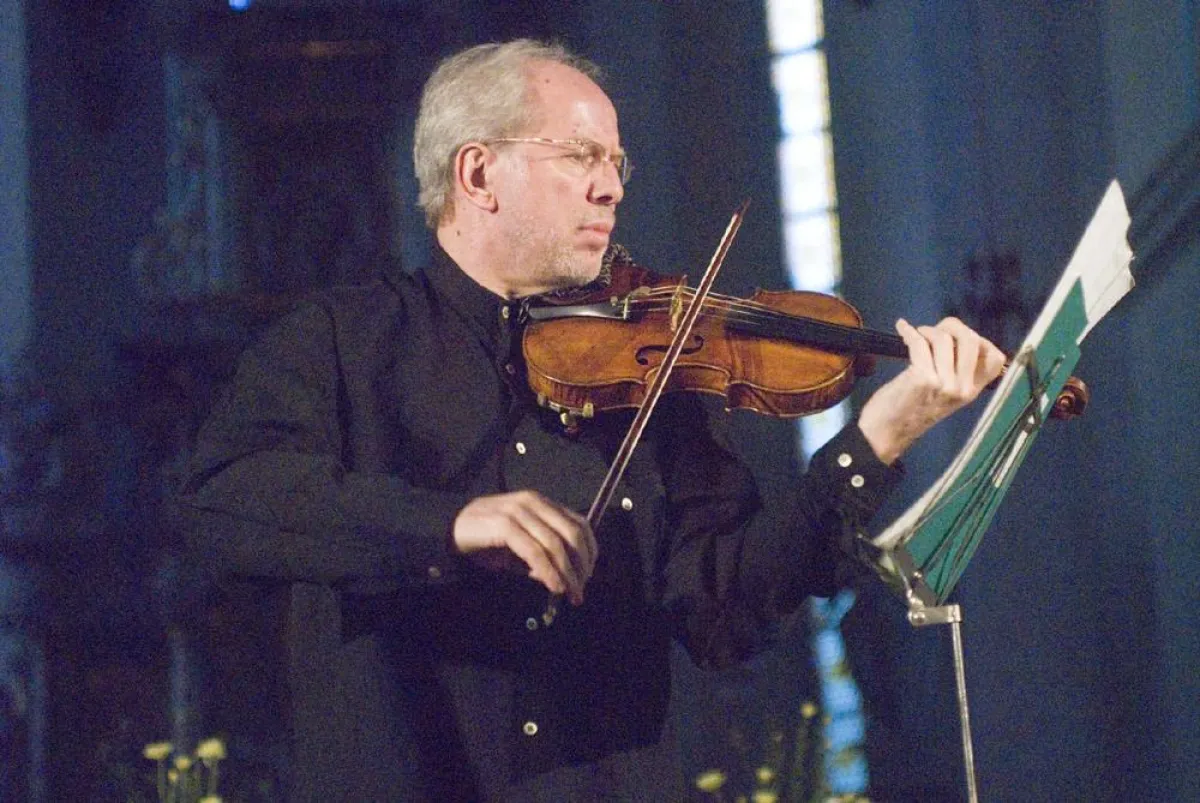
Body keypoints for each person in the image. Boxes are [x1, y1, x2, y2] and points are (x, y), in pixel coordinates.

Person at [175, 39, 1005, 801]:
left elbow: (727, 608)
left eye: (616, 160)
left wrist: (877, 439)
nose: (611, 184)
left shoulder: (655, 372)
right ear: (477, 174)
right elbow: (224, 499)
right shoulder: (339, 343)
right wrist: (451, 525)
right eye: (579, 156)